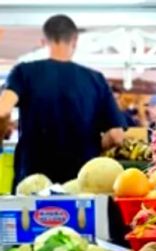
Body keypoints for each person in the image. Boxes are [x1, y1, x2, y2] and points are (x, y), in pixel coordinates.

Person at [0, 14, 125, 187]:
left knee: (30, 214)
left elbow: (2, 111)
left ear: (44, 41)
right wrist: (91, 145)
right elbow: (116, 136)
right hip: (81, 184)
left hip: (32, 181)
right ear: (75, 41)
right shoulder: (96, 79)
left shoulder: (23, 72)